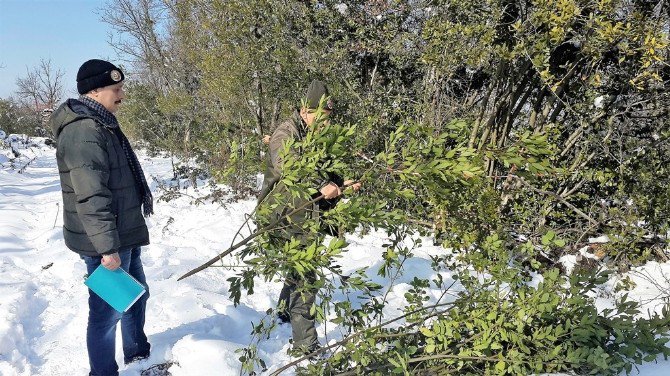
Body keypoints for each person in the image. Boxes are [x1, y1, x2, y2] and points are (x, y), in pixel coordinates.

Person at [50, 59, 153, 376]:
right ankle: (103, 372)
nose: (121, 96)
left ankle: (138, 356)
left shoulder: (102, 123)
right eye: (116, 90)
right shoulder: (84, 131)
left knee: (136, 294)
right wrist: (107, 249)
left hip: (123, 230)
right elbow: (91, 195)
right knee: (107, 311)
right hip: (105, 239)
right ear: (95, 91)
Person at [258, 80, 360, 356]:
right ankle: (307, 347)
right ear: (305, 110)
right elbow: (292, 170)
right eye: (321, 118)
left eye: (328, 119)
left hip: (304, 212)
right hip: (284, 214)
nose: (325, 124)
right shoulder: (285, 134)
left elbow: (322, 168)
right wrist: (322, 185)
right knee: (307, 278)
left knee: (299, 267)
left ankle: (282, 313)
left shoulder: (314, 133)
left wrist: (341, 182)